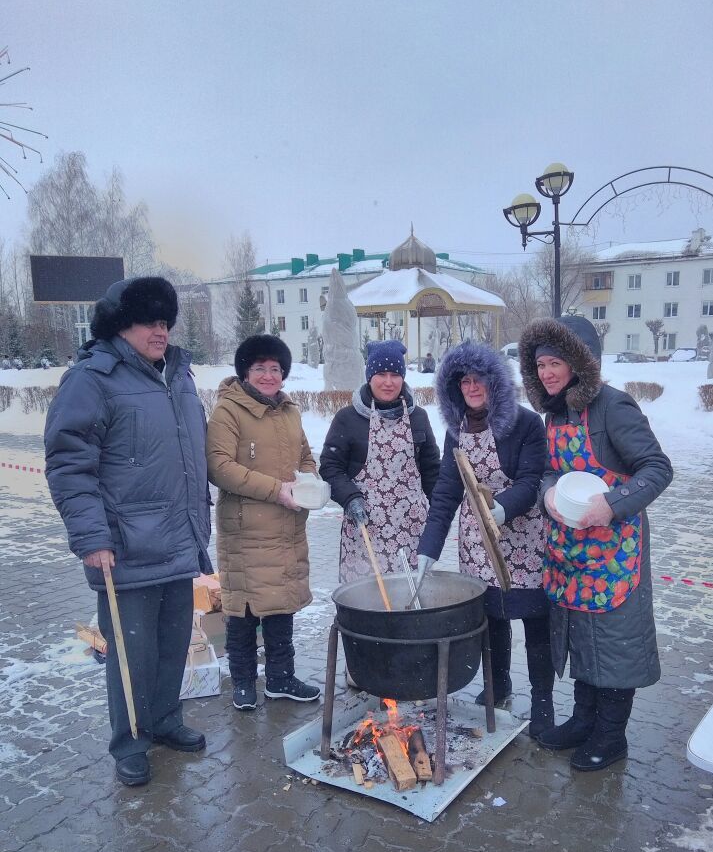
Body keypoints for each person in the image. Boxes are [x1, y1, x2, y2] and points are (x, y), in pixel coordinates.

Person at [44, 277, 212, 788]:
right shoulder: (92, 379)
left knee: (171, 644)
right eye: (149, 322)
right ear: (121, 325)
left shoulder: (178, 376)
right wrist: (92, 537)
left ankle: (163, 720)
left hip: (178, 542)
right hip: (124, 547)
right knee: (129, 653)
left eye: (165, 322)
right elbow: (70, 463)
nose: (160, 332)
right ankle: (129, 741)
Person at [519, 315, 673, 771]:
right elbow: (552, 467)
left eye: (555, 362)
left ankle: (611, 735)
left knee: (614, 644)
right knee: (581, 639)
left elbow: (657, 469)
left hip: (615, 552)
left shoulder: (614, 407)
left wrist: (612, 503)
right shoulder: (555, 413)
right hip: (571, 550)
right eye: (540, 364)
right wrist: (548, 489)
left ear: (579, 362)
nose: (546, 372)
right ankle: (583, 720)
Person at [416, 341, 556, 736]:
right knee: (491, 617)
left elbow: (532, 479)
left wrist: (503, 508)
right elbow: (446, 491)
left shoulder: (527, 424)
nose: (472, 388)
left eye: (479, 380)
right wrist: (428, 549)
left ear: (495, 383)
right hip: (478, 540)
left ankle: (543, 700)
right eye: (464, 382)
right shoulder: (456, 431)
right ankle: (498, 687)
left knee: (533, 620)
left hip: (523, 535)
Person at [206, 334, 320, 711]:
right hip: (247, 530)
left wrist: (307, 483)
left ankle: (281, 678)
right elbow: (219, 468)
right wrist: (278, 490)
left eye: (275, 369)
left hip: (286, 525)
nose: (269, 375)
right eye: (260, 369)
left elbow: (305, 456)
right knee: (243, 609)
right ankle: (243, 681)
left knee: (280, 603)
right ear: (245, 372)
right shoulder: (228, 411)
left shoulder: (289, 411)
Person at [319, 339, 440, 585]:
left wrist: (441, 512)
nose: (388, 382)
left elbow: (431, 470)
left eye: (395, 374)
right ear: (369, 376)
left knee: (410, 597)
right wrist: (350, 498)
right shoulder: (347, 418)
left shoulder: (418, 417)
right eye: (381, 374)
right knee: (369, 601)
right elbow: (330, 467)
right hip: (365, 530)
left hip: (412, 529)